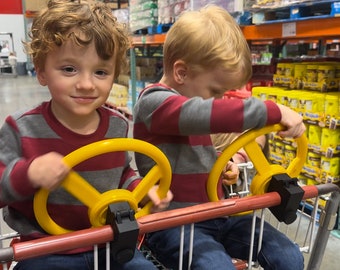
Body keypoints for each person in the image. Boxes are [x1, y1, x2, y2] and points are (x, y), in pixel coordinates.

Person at [0, 1, 172, 269]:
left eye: (101, 72)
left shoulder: (116, 126)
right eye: (69, 69)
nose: (86, 84)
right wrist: (28, 174)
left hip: (109, 241)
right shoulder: (21, 129)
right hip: (46, 248)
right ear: (42, 70)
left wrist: (141, 190)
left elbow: (122, 174)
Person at [133, 5, 305, 270]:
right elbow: (203, 114)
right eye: (215, 90)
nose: (220, 100)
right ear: (181, 72)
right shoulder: (155, 104)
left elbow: (198, 153)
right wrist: (272, 111)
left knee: (289, 256)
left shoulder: (194, 106)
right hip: (172, 222)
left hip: (218, 212)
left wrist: (227, 165)